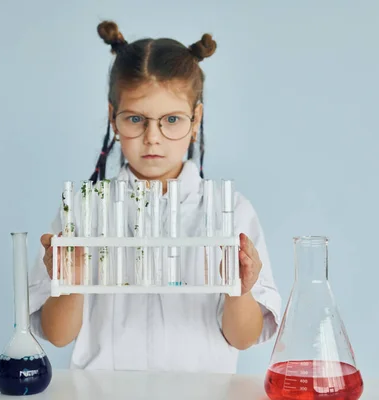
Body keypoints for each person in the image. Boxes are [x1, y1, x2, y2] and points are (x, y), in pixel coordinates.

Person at [28, 20, 281, 373]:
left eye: (172, 120)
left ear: (196, 120)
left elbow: (243, 338)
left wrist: (238, 290)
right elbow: (58, 335)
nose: (153, 137)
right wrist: (69, 281)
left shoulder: (231, 212)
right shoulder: (85, 210)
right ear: (113, 119)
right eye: (135, 119)